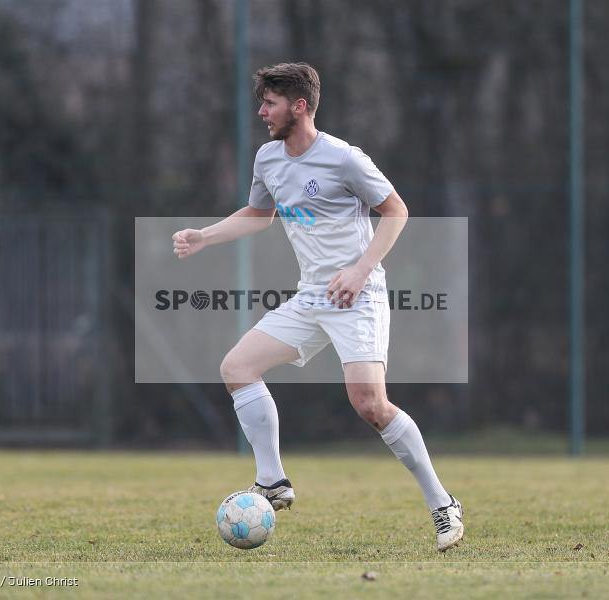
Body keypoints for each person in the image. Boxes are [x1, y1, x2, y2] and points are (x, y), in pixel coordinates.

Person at [172, 63, 463, 551]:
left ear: (299, 106)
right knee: (238, 367)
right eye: (263, 102)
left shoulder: (344, 159)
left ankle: (442, 504)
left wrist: (361, 269)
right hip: (311, 295)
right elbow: (259, 215)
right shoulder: (268, 159)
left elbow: (396, 211)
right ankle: (272, 480)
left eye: (270, 103)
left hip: (358, 296)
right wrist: (205, 236)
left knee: (369, 404)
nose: (262, 112)